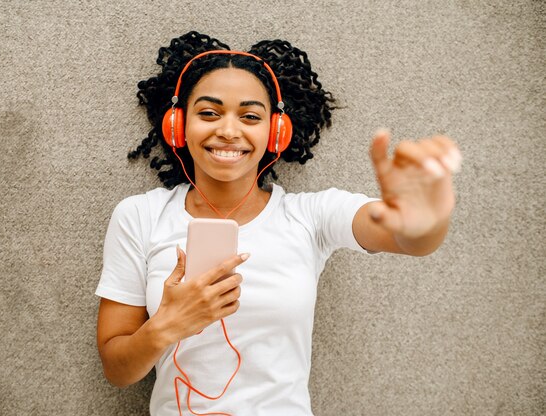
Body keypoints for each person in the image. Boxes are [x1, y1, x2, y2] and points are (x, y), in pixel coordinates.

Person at [95, 31, 461, 415]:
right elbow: (117, 371)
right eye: (208, 113)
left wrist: (426, 214)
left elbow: (412, 239)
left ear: (277, 132)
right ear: (177, 125)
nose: (229, 130)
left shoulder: (311, 216)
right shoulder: (139, 216)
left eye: (250, 116)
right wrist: (166, 326)